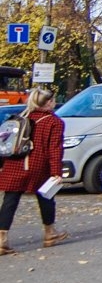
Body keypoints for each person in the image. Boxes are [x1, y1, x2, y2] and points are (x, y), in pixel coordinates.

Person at [0, 87, 67, 255]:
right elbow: (54, 149)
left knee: (10, 200)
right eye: (53, 100)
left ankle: (2, 239)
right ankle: (50, 232)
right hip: (38, 165)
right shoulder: (54, 122)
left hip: (14, 163)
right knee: (46, 196)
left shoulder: (22, 117)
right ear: (48, 102)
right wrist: (56, 172)